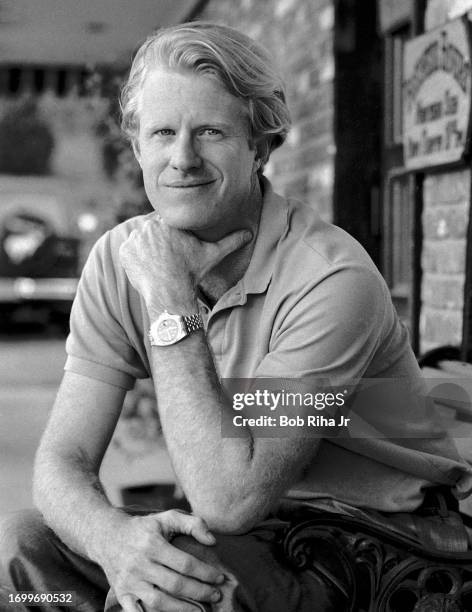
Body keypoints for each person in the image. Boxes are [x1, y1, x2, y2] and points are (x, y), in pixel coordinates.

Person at [1, 21, 472, 612]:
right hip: (247, 531)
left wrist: (172, 302)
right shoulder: (122, 260)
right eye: (163, 132)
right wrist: (114, 541)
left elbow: (232, 498)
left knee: (177, 585)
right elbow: (60, 462)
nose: (182, 158)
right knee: (24, 549)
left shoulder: (329, 280)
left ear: (260, 146)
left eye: (211, 132)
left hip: (371, 541)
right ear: (137, 144)